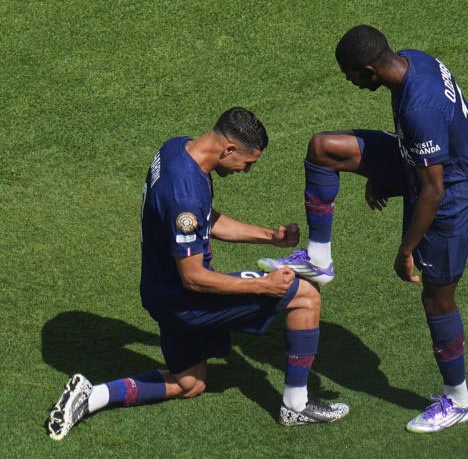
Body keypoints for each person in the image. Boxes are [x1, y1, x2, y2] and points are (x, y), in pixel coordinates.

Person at [47, 107, 349, 440]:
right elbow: (194, 277)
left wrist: (269, 236)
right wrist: (265, 285)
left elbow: (205, 219)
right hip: (185, 299)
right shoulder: (185, 195)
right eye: (247, 163)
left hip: (159, 290)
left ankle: (91, 396)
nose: (247, 171)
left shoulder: (176, 149)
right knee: (305, 294)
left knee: (189, 382)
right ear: (229, 149)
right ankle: (296, 404)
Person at [258, 25, 468, 433]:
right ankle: (319, 257)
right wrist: (384, 174)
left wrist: (406, 249)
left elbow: (433, 190)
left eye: (350, 75)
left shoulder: (419, 107)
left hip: (452, 195)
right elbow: (418, 144)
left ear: (369, 71)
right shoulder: (413, 60)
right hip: (426, 166)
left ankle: (458, 400)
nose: (349, 82)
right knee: (324, 149)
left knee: (437, 299)